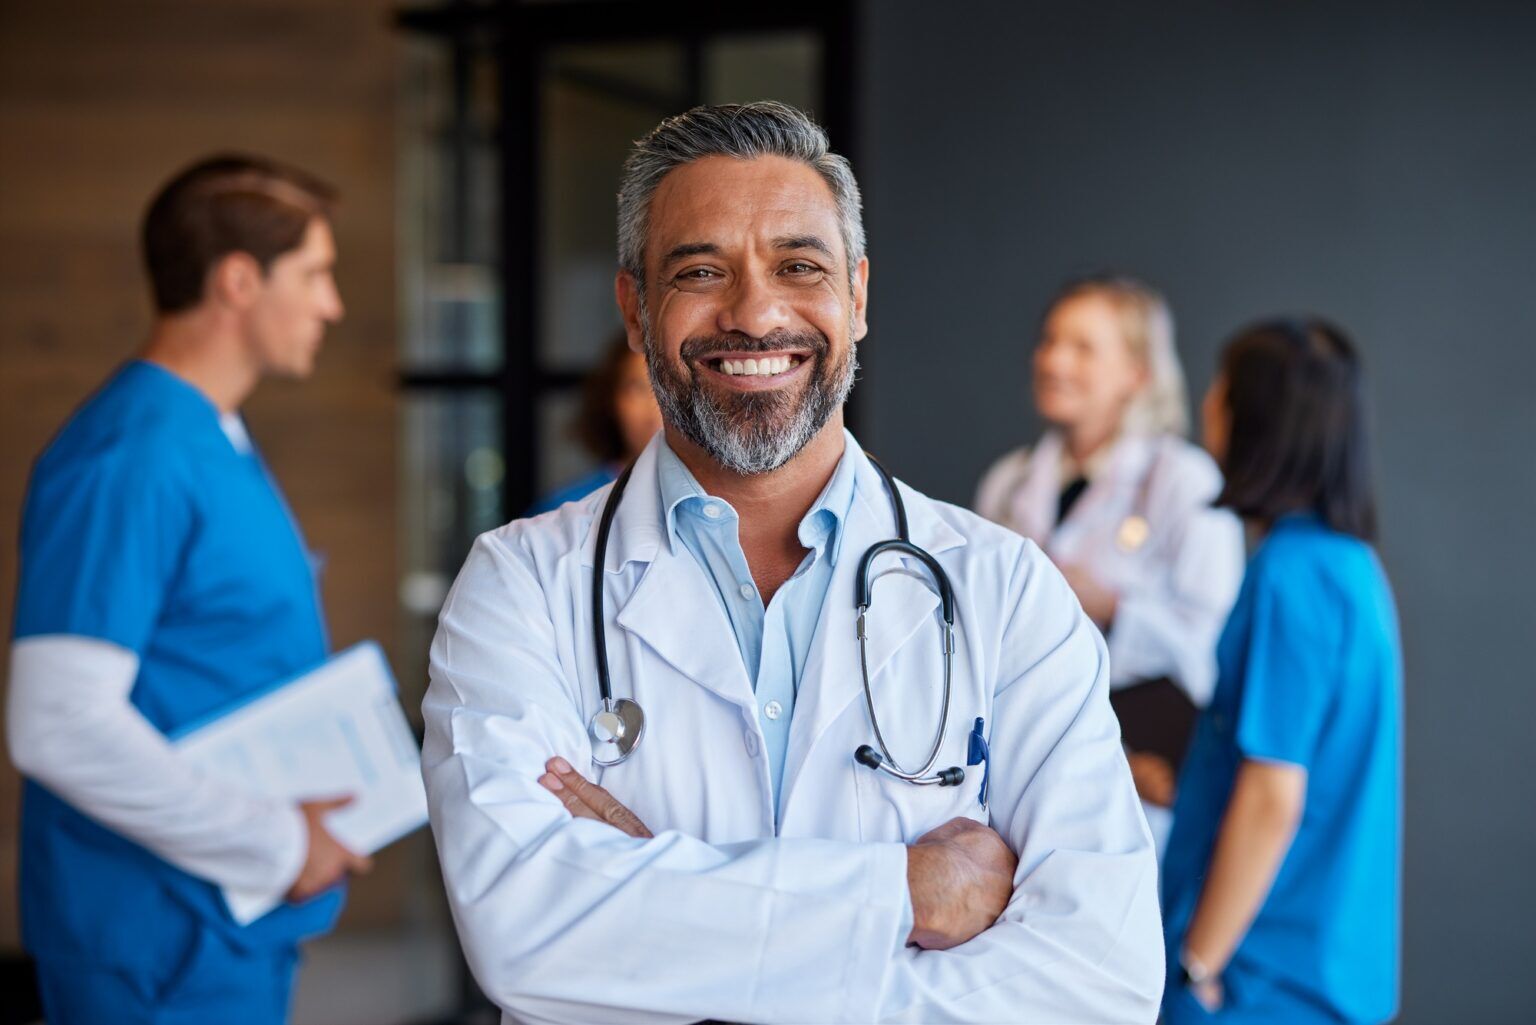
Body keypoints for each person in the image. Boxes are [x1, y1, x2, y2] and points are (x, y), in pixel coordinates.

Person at [421, 101, 1162, 1024]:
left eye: (799, 267)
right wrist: (902, 892)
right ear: (635, 307)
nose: (756, 313)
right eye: (700, 270)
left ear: (857, 295)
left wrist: (659, 913)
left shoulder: (1003, 591)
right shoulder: (521, 584)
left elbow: (1100, 979)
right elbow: (524, 931)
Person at [6, 155, 371, 1025]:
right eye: (316, 274)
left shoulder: (211, 438)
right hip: (155, 942)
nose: (334, 304)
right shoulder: (131, 457)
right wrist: (279, 841)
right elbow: (55, 721)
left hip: (215, 932)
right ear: (239, 281)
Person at [1160, 319, 1401, 1024]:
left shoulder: (1289, 576)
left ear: (1259, 418)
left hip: (1256, 986)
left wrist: (1193, 965)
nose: (1208, 403)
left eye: (1222, 389)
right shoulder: (1349, 568)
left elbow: (1274, 795)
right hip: (1320, 980)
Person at [974, 276, 1244, 847]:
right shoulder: (1007, 484)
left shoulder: (1185, 482)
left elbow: (1211, 647)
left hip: (1145, 778)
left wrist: (1111, 607)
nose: (1054, 361)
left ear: (1137, 373)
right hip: (1024, 758)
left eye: (1082, 347)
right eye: (1049, 342)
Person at [527, 333, 662, 515]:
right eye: (637, 388)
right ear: (611, 401)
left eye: (666, 387)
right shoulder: (563, 511)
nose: (655, 406)